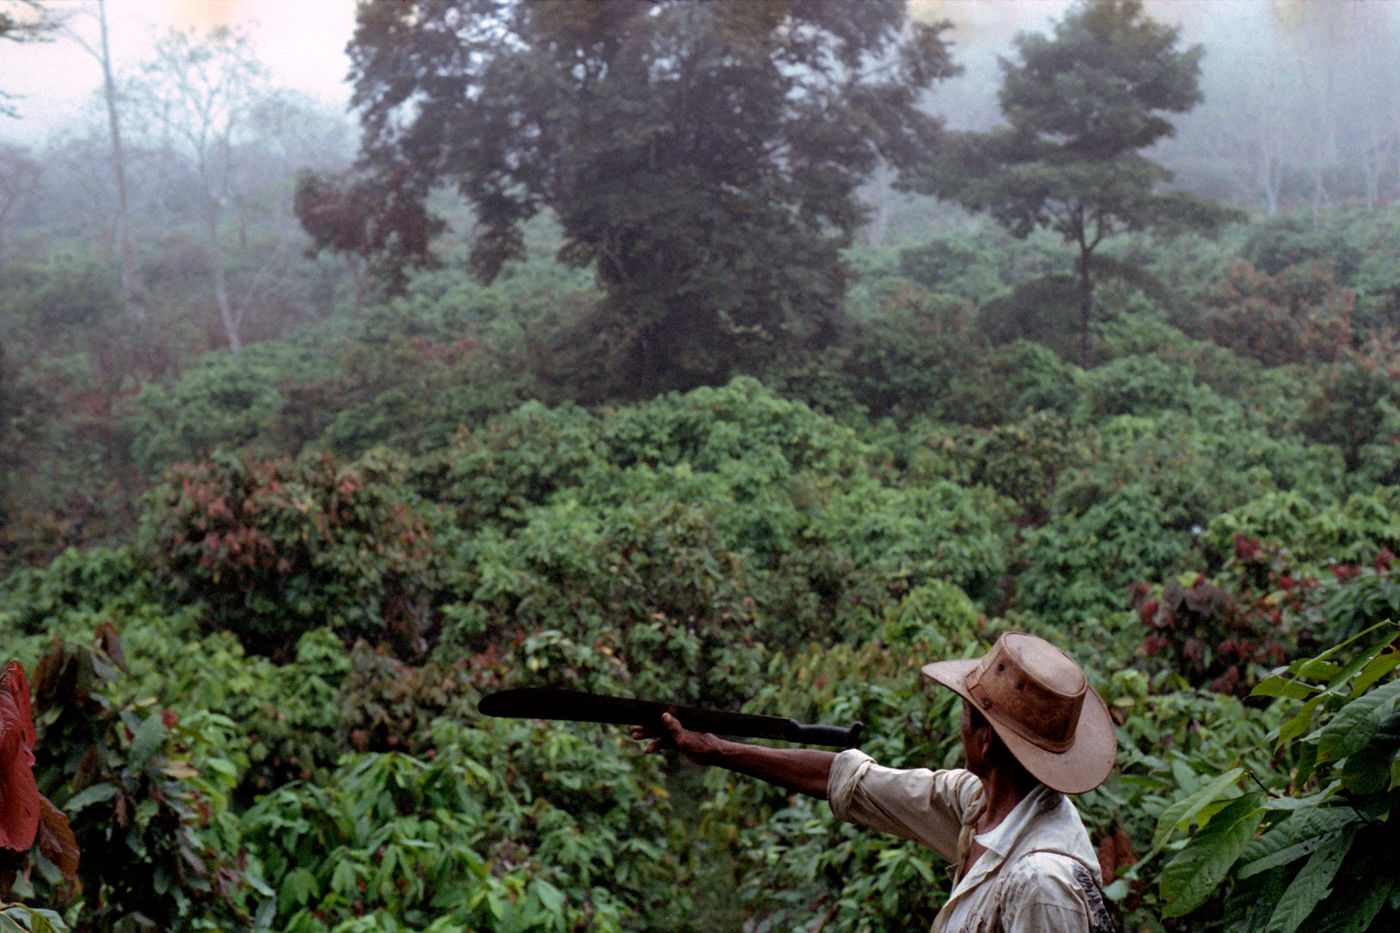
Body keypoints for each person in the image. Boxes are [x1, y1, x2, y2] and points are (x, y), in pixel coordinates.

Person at [631, 632, 1118, 933]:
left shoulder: (1041, 883)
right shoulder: (977, 804)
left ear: (985, 740)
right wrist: (713, 749)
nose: (960, 725)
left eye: (965, 714)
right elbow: (853, 781)